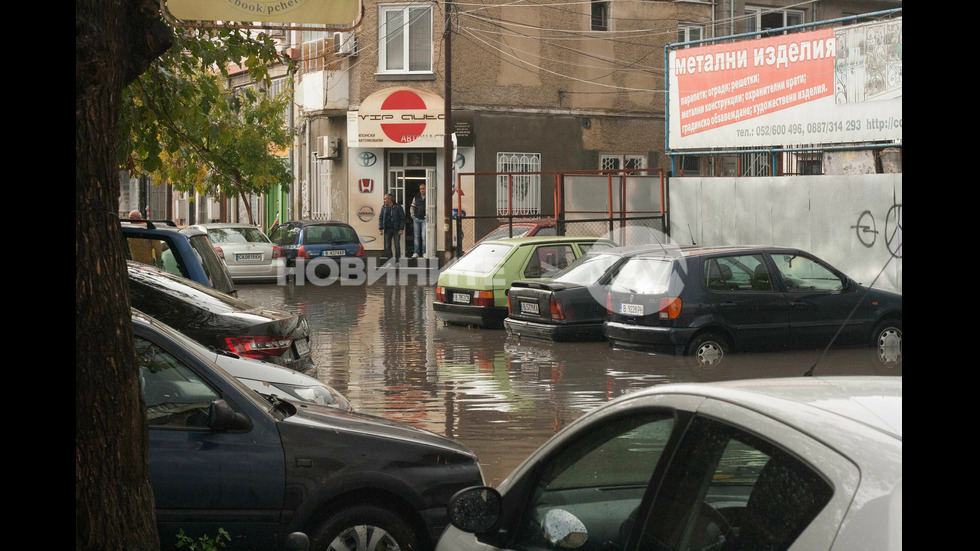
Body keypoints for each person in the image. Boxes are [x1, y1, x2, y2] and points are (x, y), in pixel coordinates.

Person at [378, 193, 405, 263]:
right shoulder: (384, 207)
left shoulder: (398, 207)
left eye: (385, 198)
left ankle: (397, 261)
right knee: (387, 246)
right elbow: (380, 218)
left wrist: (401, 228)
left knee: (397, 246)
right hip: (387, 229)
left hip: (396, 229)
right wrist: (380, 228)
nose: (384, 200)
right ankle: (390, 261)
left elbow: (402, 218)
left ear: (389, 199)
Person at [410, 184, 426, 258]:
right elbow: (412, 207)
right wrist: (413, 216)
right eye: (420, 189)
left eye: (423, 188)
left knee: (424, 236)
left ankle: (424, 252)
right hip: (416, 219)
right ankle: (416, 252)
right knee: (416, 236)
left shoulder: (429, 196)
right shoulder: (416, 197)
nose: (422, 190)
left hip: (425, 219)